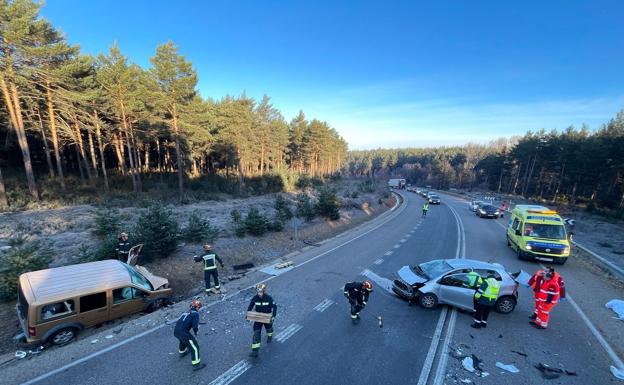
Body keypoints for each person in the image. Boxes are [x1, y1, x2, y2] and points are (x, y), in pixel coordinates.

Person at [174, 299, 205, 371]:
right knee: (195, 347)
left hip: (176, 331)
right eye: (198, 308)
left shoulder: (185, 313)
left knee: (182, 340)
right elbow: (195, 326)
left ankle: (182, 352)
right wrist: (196, 332)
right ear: (197, 307)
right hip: (183, 332)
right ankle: (196, 365)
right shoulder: (195, 314)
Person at [247, 283, 277, 358]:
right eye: (258, 291)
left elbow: (275, 307)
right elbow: (250, 306)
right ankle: (255, 351)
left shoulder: (269, 298)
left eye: (261, 292)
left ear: (264, 291)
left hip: (267, 317)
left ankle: (270, 336)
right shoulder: (255, 298)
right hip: (258, 317)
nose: (259, 293)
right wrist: (248, 315)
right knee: (256, 333)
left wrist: (273, 317)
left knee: (269, 329)